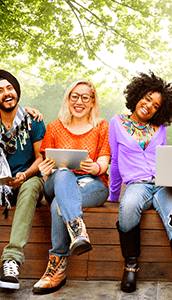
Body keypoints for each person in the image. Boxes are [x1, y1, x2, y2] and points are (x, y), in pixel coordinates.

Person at [109, 71, 172, 300]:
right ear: (138, 95)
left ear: (160, 110)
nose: (149, 106)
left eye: (155, 105)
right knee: (129, 205)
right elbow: (114, 161)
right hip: (137, 184)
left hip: (163, 184)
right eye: (147, 99)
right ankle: (131, 266)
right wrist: (113, 195)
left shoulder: (159, 129)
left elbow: (164, 159)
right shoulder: (117, 123)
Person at [32, 79, 110, 294]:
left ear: (92, 101)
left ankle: (56, 268)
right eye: (74, 96)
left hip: (92, 185)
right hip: (56, 182)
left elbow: (103, 163)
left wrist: (94, 168)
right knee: (63, 172)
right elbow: (45, 162)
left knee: (60, 202)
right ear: (68, 99)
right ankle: (78, 232)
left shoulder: (102, 127)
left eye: (85, 97)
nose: (79, 101)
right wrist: (45, 170)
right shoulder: (55, 127)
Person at [0, 70, 46, 290]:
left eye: (9, 88)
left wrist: (25, 174)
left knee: (31, 185)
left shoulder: (32, 120)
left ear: (16, 91)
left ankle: (11, 260)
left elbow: (41, 158)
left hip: (28, 180)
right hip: (1, 186)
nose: (6, 93)